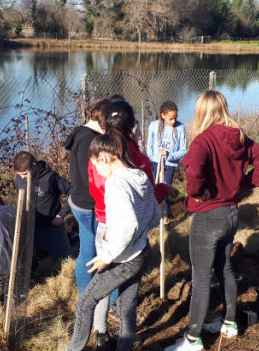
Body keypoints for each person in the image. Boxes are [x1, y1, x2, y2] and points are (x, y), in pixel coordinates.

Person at [166, 90, 259, 351]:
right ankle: (229, 323)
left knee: (202, 277)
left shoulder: (203, 140)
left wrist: (196, 192)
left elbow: (193, 169)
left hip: (208, 216)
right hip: (230, 213)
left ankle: (192, 340)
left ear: (201, 111)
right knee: (225, 268)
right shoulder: (239, 137)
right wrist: (241, 185)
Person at [87, 99, 173, 347]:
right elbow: (146, 197)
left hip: (103, 222)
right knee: (129, 287)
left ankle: (101, 331)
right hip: (130, 231)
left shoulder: (98, 153)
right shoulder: (135, 157)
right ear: (133, 125)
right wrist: (162, 190)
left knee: (104, 279)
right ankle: (124, 335)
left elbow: (94, 188)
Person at [64, 133, 161, 351]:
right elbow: (154, 214)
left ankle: (74, 349)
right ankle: (125, 346)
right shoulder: (140, 175)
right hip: (142, 251)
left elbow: (128, 225)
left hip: (122, 258)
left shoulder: (115, 184)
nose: (96, 172)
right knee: (127, 304)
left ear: (105, 158)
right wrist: (139, 232)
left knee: (85, 303)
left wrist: (107, 256)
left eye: (96, 165)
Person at [64, 99, 110, 293]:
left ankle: (86, 295)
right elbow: (89, 176)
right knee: (92, 251)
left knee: (87, 248)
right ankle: (87, 294)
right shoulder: (89, 141)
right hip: (88, 204)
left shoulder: (81, 133)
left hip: (80, 200)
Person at [13, 151, 74, 259]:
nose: (22, 178)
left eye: (25, 174)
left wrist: (61, 214)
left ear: (34, 166)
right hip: (30, 229)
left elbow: (73, 192)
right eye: (19, 175)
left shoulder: (50, 178)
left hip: (52, 227)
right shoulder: (19, 180)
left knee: (65, 259)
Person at [147, 101, 188, 188]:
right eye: (170, 119)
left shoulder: (180, 128)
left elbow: (183, 150)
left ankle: (165, 201)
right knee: (154, 189)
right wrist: (150, 162)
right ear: (162, 115)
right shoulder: (153, 126)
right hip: (155, 163)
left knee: (165, 190)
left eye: (175, 118)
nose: (173, 121)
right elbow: (149, 147)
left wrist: (170, 155)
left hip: (170, 165)